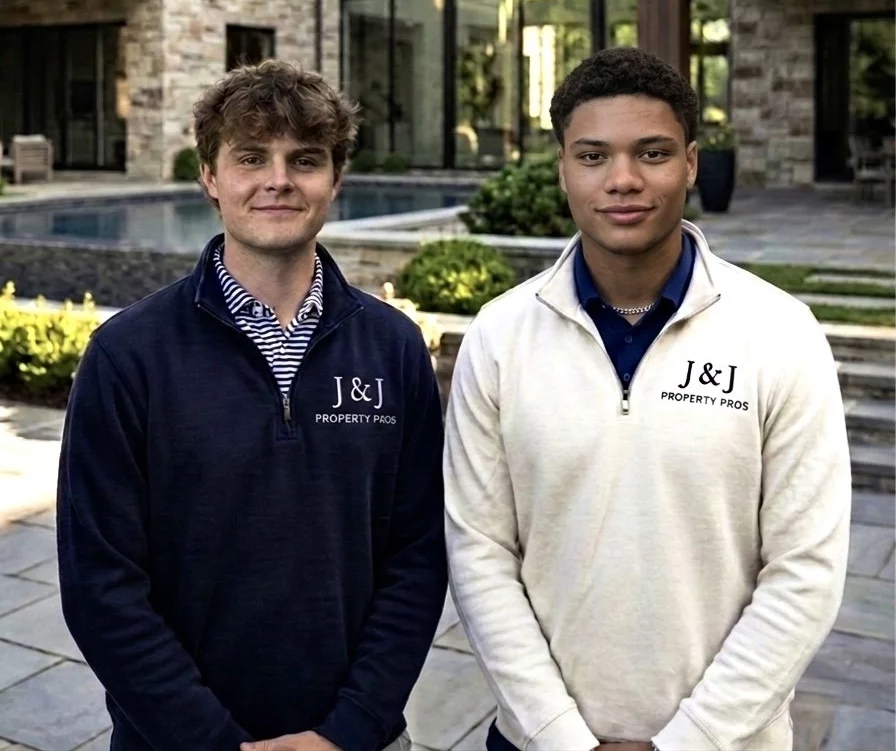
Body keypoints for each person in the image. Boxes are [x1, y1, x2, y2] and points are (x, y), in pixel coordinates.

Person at [444, 46, 851, 751]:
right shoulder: (500, 336)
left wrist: (685, 740)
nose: (623, 180)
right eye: (594, 155)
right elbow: (478, 553)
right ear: (563, 167)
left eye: (653, 152)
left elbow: (805, 571)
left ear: (691, 162)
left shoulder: (780, 333)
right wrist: (563, 737)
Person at [58, 60, 447, 751]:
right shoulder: (128, 355)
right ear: (210, 176)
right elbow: (101, 583)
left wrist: (349, 729)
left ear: (336, 178)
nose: (278, 179)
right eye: (250, 156)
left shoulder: (392, 348)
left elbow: (416, 558)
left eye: (305, 159)